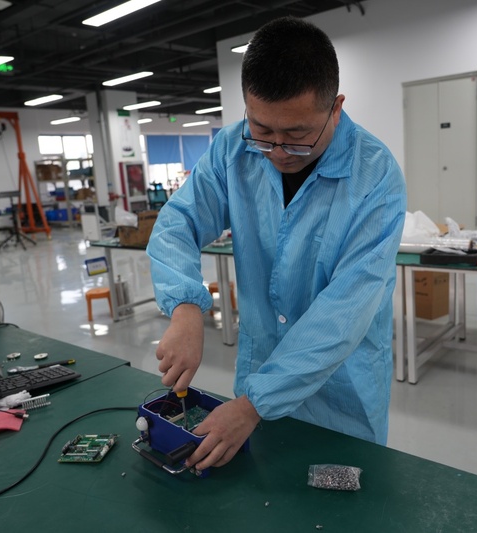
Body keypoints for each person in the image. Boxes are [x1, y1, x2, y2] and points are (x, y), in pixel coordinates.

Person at [146, 16, 406, 472]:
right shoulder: (232, 150)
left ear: (335, 108)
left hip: (341, 391)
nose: (279, 151)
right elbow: (178, 222)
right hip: (256, 376)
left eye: (298, 135)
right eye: (263, 131)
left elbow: (345, 311)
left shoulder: (375, 178)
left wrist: (253, 405)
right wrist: (186, 307)